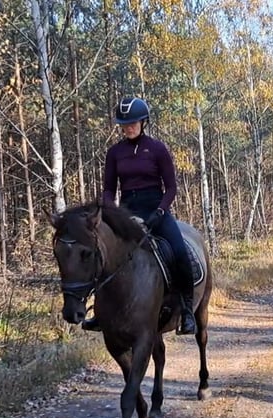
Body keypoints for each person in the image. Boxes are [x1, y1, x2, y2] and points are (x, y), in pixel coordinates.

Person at [82, 96, 196, 335]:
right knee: (103, 254)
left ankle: (186, 311)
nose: (129, 127)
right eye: (125, 124)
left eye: (133, 122)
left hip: (156, 209)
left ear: (143, 122)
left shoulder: (157, 149)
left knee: (180, 253)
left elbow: (171, 187)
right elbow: (109, 188)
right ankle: (100, 312)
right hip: (126, 212)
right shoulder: (114, 153)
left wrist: (159, 212)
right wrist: (110, 213)